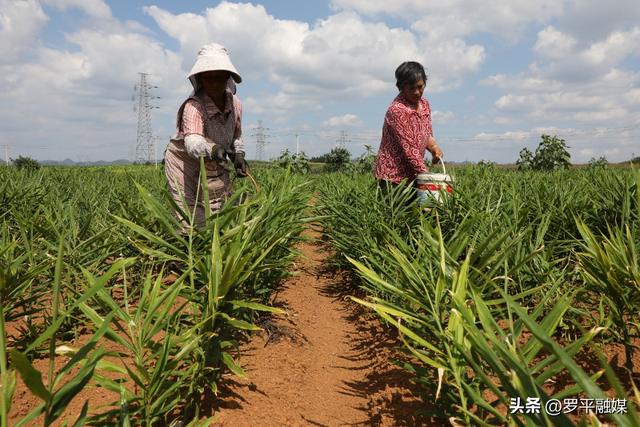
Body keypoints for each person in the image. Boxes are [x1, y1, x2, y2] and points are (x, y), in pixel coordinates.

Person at [164, 43, 248, 228]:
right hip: (183, 163)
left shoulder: (236, 104)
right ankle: (188, 249)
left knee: (219, 205)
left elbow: (236, 135)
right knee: (188, 211)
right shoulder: (193, 106)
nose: (215, 83)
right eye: (209, 78)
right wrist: (215, 149)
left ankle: (217, 242)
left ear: (228, 77)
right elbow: (193, 142)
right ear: (200, 79)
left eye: (219, 77)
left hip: (213, 159)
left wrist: (239, 154)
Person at [374, 61, 443, 197]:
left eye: (420, 86)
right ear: (401, 87)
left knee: (416, 214)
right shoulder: (397, 110)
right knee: (394, 215)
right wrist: (428, 178)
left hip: (413, 175)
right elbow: (409, 148)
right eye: (411, 88)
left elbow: (426, 133)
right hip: (393, 177)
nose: (417, 92)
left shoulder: (424, 105)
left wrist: (434, 148)